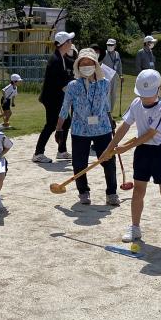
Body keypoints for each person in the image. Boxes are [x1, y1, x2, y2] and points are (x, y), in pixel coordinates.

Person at [100, 69, 161, 249]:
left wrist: (124, 148)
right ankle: (135, 228)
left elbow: (149, 134)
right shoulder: (137, 103)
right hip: (143, 152)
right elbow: (125, 127)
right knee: (138, 190)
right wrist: (109, 148)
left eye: (149, 95)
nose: (145, 99)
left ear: (159, 89)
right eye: (142, 95)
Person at [55, 48, 120, 206]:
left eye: (89, 63)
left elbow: (105, 105)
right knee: (79, 163)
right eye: (82, 63)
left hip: (102, 129)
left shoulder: (105, 83)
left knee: (108, 161)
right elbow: (65, 108)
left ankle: (111, 192)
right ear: (78, 66)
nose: (86, 66)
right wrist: (59, 129)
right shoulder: (72, 85)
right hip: (80, 129)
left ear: (95, 65)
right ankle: (83, 192)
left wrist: (111, 121)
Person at [33, 31, 75, 163]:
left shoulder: (61, 57)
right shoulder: (56, 60)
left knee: (66, 121)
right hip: (51, 98)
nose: (71, 43)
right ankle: (38, 153)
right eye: (69, 41)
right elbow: (62, 84)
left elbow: (72, 66)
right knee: (51, 125)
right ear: (63, 44)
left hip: (56, 97)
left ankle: (61, 151)